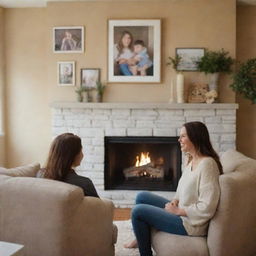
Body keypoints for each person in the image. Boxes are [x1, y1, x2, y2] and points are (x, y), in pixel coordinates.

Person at [125, 121, 222, 256]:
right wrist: (175, 200)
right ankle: (140, 235)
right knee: (142, 196)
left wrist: (178, 211)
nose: (179, 140)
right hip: (182, 211)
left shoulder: (207, 164)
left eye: (183, 136)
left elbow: (207, 206)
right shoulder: (192, 160)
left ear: (195, 137)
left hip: (191, 224)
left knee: (137, 211)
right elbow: (182, 189)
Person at [39, 133, 99, 198]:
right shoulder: (84, 183)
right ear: (72, 155)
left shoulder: (40, 175)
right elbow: (99, 207)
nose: (82, 155)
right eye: (81, 151)